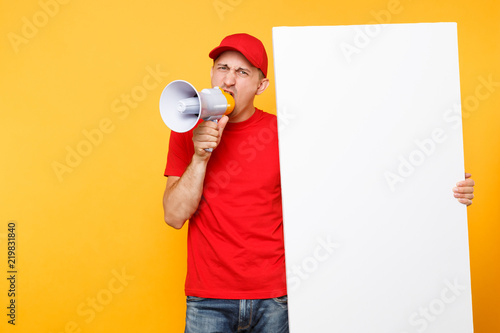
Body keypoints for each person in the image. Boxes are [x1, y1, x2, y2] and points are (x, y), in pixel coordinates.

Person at [162, 33, 475, 333]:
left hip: (276, 298)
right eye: (222, 68)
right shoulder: (187, 129)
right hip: (208, 300)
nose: (228, 80)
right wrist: (200, 156)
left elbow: (357, 179)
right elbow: (174, 216)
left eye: (242, 72)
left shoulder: (285, 132)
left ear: (261, 85)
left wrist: (439, 181)